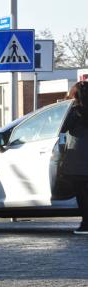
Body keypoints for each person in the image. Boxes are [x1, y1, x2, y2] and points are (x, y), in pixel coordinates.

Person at [61, 81, 88, 234]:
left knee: (82, 193)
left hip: (79, 158)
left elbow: (63, 127)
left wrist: (67, 105)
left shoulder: (75, 111)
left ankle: (86, 224)